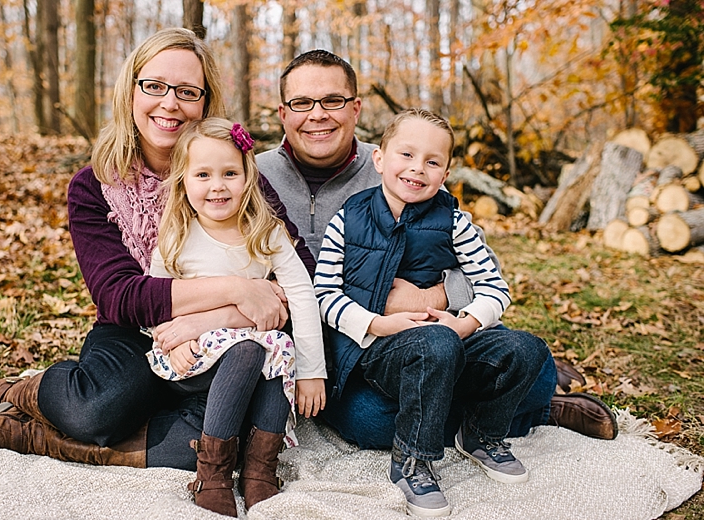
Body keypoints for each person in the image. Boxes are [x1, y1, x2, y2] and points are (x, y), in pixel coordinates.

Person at [0, 28, 316, 516]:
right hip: (132, 331)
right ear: (130, 90)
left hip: (223, 340)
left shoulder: (231, 172)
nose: (169, 104)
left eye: (188, 91)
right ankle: (18, 394)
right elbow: (120, 297)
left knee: (221, 441)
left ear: (205, 101)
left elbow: (299, 267)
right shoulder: (94, 187)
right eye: (154, 86)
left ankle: (33, 437)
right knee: (97, 409)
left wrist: (204, 320)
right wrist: (240, 287)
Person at [256, 49, 618, 446]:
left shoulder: (406, 165)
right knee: (371, 422)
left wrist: (431, 296)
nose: (318, 114)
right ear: (283, 113)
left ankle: (504, 396)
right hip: (339, 346)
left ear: (355, 108)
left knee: (536, 362)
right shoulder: (253, 175)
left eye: (333, 101)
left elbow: (483, 266)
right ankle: (531, 410)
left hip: (423, 335)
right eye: (302, 103)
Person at [315, 108, 547, 517]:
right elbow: (325, 295)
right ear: (380, 159)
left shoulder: (454, 222)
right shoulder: (348, 219)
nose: (417, 169)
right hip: (382, 347)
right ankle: (412, 461)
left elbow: (495, 287)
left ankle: (481, 434)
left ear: (446, 172)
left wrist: (465, 323)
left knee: (526, 349)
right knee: (428, 352)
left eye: (432, 162)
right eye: (406, 155)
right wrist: (377, 323)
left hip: (449, 336)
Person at [144, 118, 326, 514]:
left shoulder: (266, 231)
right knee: (247, 349)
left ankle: (260, 470)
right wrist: (171, 340)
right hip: (192, 361)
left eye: (230, 173)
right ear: (184, 180)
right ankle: (213, 473)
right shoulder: (177, 234)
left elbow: (301, 294)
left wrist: (313, 371)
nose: (217, 185)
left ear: (248, 176)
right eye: (203, 175)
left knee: (278, 345)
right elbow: (156, 300)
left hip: (254, 349)